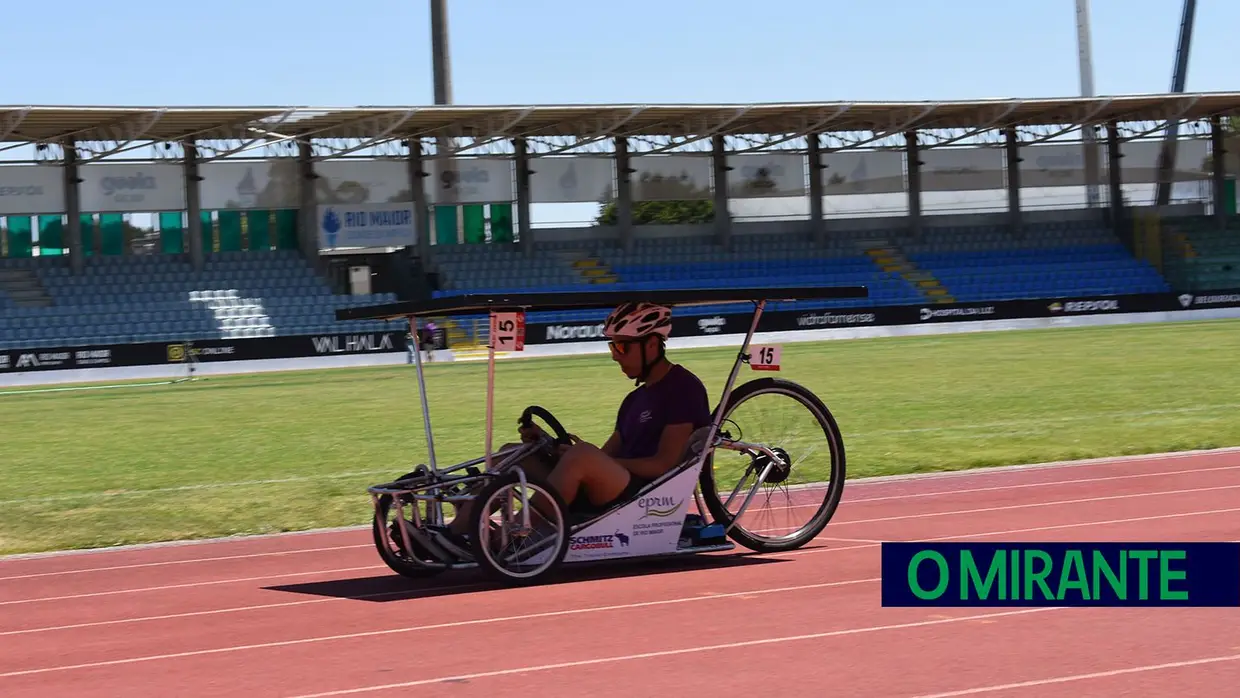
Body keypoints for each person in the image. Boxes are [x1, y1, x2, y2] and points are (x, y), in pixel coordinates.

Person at [437, 301, 713, 545]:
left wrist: (586, 457)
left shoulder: (682, 387)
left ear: (652, 344)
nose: (614, 354)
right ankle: (458, 531)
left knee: (582, 455)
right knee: (513, 452)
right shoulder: (634, 399)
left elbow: (663, 465)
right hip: (614, 485)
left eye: (621, 346)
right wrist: (550, 446)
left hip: (646, 494)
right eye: (612, 345)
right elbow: (606, 457)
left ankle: (509, 538)